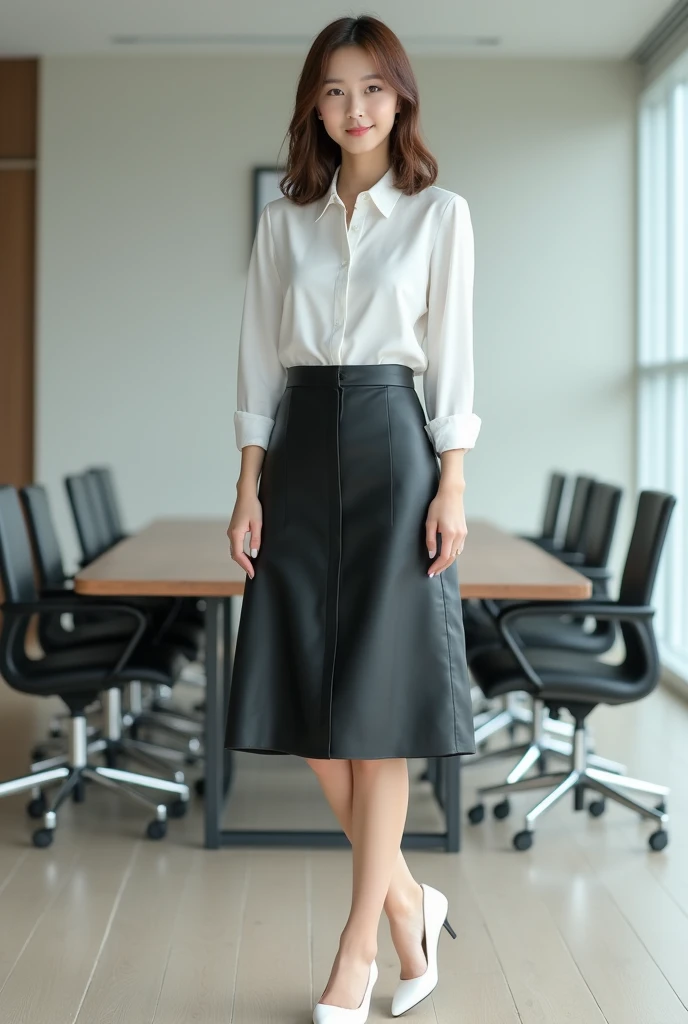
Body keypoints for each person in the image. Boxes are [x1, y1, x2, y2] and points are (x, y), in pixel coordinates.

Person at [225, 14, 481, 1023]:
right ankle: (413, 901)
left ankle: (356, 952)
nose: (355, 108)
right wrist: (248, 482)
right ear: (313, 107)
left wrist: (450, 480)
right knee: (310, 713)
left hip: (393, 448)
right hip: (298, 445)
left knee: (376, 720)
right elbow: (255, 360)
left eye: (372, 88)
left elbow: (452, 358)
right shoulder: (282, 221)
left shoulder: (439, 214)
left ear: (400, 97)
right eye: (334, 91)